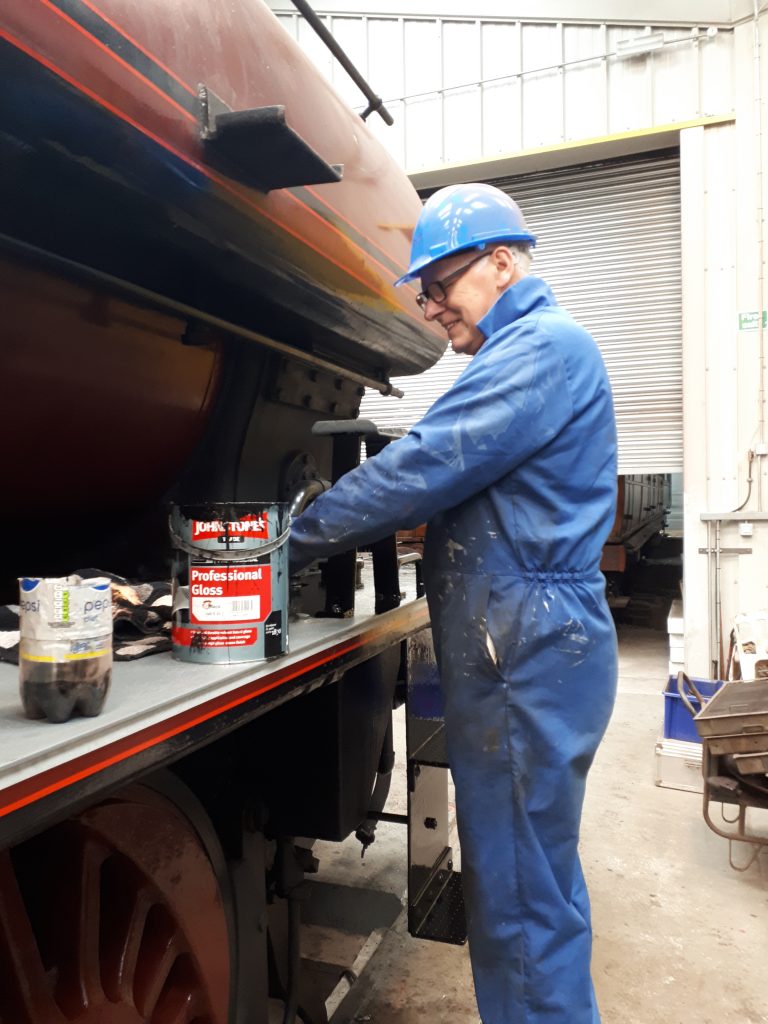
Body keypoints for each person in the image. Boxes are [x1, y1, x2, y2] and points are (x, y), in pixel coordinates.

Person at [289, 182, 618, 1024]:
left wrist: (286, 533)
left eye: (441, 284)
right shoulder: (538, 352)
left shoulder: (541, 348)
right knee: (530, 878)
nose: (431, 307)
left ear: (503, 262)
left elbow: (430, 462)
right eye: (425, 291)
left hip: (525, 651)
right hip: (528, 640)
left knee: (515, 899)